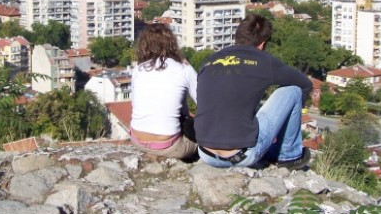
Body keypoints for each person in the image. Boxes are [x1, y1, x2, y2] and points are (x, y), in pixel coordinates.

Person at [194, 14, 313, 169]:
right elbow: (305, 84)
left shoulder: (210, 60)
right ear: (262, 44)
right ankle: (288, 156)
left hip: (205, 153)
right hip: (240, 157)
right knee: (293, 91)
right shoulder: (263, 61)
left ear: (237, 37)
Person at [130, 23, 198, 159]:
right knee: (202, 138)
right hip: (170, 146)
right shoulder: (184, 68)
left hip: (137, 141)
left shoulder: (139, 69)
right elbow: (204, 102)